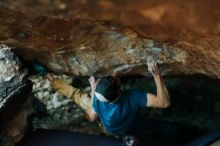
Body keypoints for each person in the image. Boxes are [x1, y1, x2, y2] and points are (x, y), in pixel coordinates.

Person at [35, 61, 170, 145]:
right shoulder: (131, 97)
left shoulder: (99, 101)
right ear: (120, 91)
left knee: (77, 95)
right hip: (129, 126)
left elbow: (93, 114)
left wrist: (93, 88)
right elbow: (164, 103)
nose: (114, 76)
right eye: (114, 80)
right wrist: (156, 75)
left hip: (109, 127)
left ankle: (51, 79)